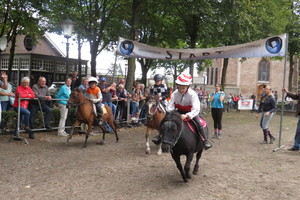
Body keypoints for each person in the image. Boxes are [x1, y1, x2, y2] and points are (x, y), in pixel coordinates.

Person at [153, 73, 212, 150]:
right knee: (165, 120)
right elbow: (170, 105)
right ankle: (160, 136)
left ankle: (205, 141)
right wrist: (172, 112)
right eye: (179, 87)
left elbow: (196, 108)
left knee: (199, 123)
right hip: (178, 112)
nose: (181, 90)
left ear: (188, 87)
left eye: (183, 88)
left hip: (191, 112)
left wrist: (187, 115)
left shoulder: (192, 94)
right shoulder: (175, 93)